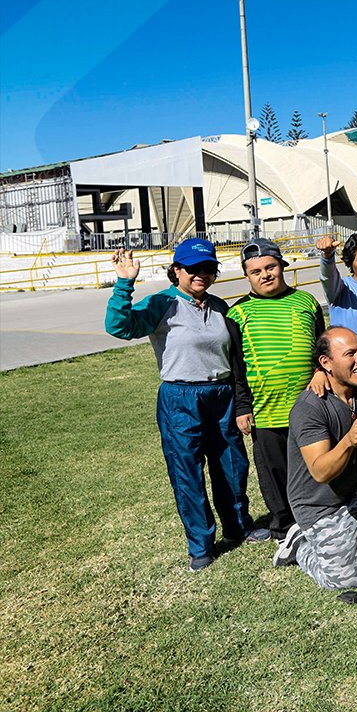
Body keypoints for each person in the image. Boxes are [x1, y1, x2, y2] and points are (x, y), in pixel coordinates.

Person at [104, 240, 268, 571]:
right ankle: (200, 543)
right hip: (180, 398)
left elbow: (234, 358)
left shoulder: (220, 307)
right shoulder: (163, 302)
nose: (201, 275)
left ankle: (237, 526)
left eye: (208, 268)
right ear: (177, 270)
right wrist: (124, 284)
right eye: (193, 268)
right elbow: (119, 327)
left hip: (220, 395)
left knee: (232, 465)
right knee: (187, 471)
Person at [227, 238, 325, 543]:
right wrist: (243, 407)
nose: (265, 274)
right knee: (275, 472)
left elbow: (322, 346)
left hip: (308, 405)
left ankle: (318, 517)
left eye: (270, 267)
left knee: (313, 466)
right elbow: (236, 367)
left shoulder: (307, 302)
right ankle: (284, 526)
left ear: (282, 266)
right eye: (256, 271)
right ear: (247, 276)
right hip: (266, 409)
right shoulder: (238, 313)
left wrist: (322, 371)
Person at [272, 328, 357, 592]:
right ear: (325, 363)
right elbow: (319, 471)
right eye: (350, 353)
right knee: (347, 581)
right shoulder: (310, 407)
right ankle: (300, 545)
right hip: (320, 505)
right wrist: (349, 440)